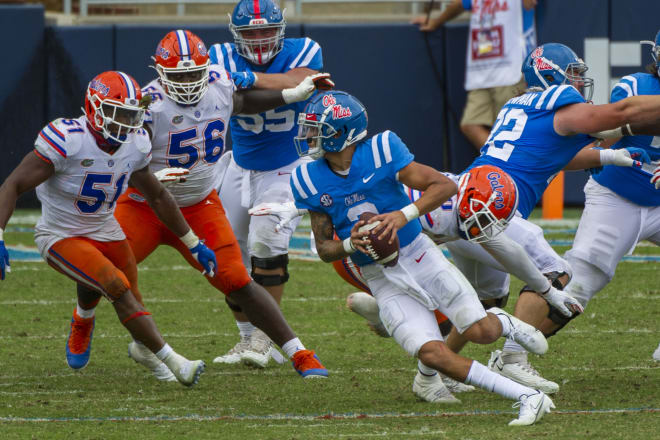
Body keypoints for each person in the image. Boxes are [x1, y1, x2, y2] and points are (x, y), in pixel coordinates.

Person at [290, 89, 556, 426]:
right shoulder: (306, 178)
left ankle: (503, 322)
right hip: (380, 277)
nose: (310, 136)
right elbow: (325, 248)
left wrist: (402, 215)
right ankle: (526, 397)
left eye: (319, 129)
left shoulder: (382, 150)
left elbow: (444, 186)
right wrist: (348, 245)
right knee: (432, 352)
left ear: (344, 133)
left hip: (419, 254)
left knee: (481, 332)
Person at [90, 29, 330, 381]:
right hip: (145, 204)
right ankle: (83, 318)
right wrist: (149, 177)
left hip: (200, 203)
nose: (188, 82)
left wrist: (289, 94)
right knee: (103, 267)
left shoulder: (218, 83)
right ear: (159, 73)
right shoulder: (146, 104)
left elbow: (244, 103)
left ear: (207, 69)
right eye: (178, 75)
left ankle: (298, 352)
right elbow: (123, 158)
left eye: (193, 74)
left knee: (236, 279)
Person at [252, 165, 583, 396]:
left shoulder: (465, 202)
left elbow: (506, 247)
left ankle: (398, 324)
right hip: (361, 253)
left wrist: (547, 292)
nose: (486, 229)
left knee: (472, 305)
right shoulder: (434, 209)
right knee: (433, 321)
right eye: (483, 220)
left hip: (402, 252)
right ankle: (388, 317)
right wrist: (294, 208)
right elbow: (342, 196)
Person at [0, 71, 216, 387]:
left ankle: (100, 327)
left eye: (131, 116)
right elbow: (13, 184)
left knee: (130, 293)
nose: (125, 124)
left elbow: (157, 194)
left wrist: (193, 241)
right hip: (60, 234)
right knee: (114, 283)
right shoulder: (68, 139)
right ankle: (174, 361)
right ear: (94, 108)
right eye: (117, 115)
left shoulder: (136, 143)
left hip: (105, 228)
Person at [459, 41, 660, 375]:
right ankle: (509, 354)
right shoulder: (611, 91)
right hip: (616, 197)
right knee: (571, 280)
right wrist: (606, 152)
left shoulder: (520, 104)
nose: (579, 82)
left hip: (474, 200)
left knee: (486, 293)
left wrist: (604, 153)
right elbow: (612, 121)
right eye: (573, 74)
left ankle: (430, 359)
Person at [207, 0, 328, 368]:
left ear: (280, 30)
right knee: (227, 252)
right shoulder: (220, 55)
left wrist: (250, 78)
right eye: (250, 32)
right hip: (240, 166)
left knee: (266, 239)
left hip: (286, 164)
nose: (259, 40)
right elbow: (241, 102)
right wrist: (247, 86)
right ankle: (245, 339)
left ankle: (265, 338)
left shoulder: (305, 49)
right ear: (235, 34)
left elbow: (299, 82)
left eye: (265, 31)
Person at [557, 33, 660, 362]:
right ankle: (513, 354)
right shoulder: (637, 86)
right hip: (619, 193)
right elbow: (620, 119)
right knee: (581, 281)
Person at [412, 0, 538, 149]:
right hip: (481, 69)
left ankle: (513, 166)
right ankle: (502, 162)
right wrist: (435, 22)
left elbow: (530, 3)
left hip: (512, 69)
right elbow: (458, 4)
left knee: (513, 128)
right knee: (470, 124)